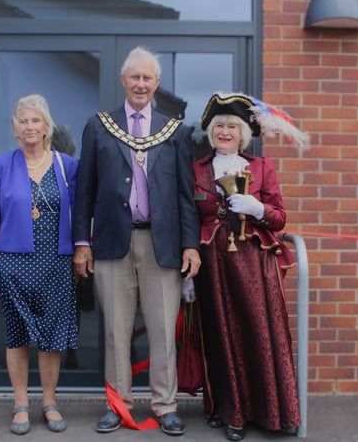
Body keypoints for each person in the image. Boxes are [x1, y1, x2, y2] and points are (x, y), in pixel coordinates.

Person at [72, 46, 201, 436]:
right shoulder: (99, 126)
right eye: (135, 77)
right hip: (112, 244)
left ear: (157, 83)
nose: (141, 83)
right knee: (115, 331)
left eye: (148, 77)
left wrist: (190, 244)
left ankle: (165, 406)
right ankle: (118, 404)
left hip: (161, 246)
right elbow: (85, 191)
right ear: (123, 81)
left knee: (163, 332)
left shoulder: (174, 131)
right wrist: (82, 241)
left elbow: (185, 193)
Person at [191, 92, 309, 441]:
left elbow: (279, 218)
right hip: (213, 266)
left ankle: (270, 411)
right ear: (211, 132)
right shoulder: (196, 169)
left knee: (258, 335)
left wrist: (257, 209)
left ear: (243, 133)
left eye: (231, 126)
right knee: (220, 338)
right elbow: (187, 217)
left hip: (255, 264)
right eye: (219, 126)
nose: (224, 131)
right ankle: (229, 412)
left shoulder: (260, 168)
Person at [0, 94, 79, 436]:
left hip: (55, 264)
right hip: (12, 264)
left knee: (51, 338)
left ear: (46, 126)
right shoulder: (2, 165)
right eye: (23, 121)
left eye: (36, 120)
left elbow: (81, 216)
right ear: (14, 128)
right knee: (17, 336)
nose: (30, 127)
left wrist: (84, 250)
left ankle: (49, 402)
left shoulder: (67, 165)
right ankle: (20, 403)